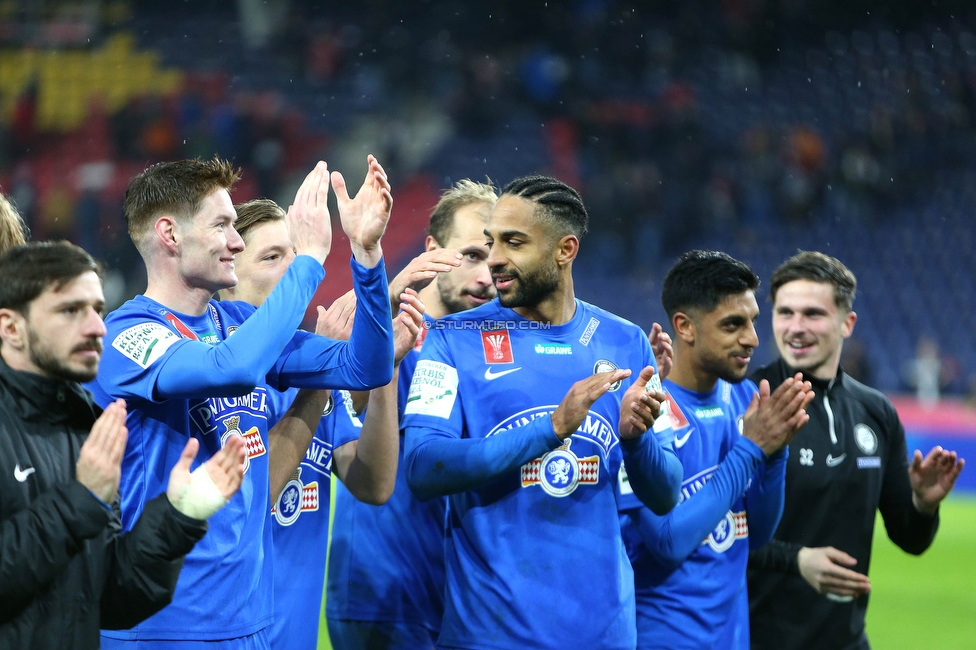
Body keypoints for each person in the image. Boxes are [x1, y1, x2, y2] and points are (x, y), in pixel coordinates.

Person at [89, 155, 396, 648]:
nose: (236, 241)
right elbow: (230, 369)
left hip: (250, 625)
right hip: (159, 631)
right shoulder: (126, 336)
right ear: (170, 235)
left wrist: (366, 256)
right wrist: (310, 262)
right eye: (222, 225)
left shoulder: (235, 323)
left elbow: (367, 367)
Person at [402, 174, 683, 650]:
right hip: (490, 636)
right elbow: (422, 466)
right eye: (491, 242)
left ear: (564, 250)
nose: (494, 259)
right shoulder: (450, 340)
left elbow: (666, 493)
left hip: (604, 636)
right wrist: (552, 427)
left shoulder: (627, 341)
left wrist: (636, 441)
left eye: (514, 243)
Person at [0, 241, 244, 649]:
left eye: (96, 309)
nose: (97, 327)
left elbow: (110, 599)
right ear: (11, 327)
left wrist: (179, 515)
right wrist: (80, 500)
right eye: (70, 311)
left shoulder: (83, 427)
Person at [218, 197, 424, 650]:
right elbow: (255, 495)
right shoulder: (211, 370)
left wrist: (382, 368)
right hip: (223, 630)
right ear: (226, 275)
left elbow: (373, 483)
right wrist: (321, 385)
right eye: (273, 258)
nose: (295, 272)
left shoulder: (313, 357)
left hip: (295, 634)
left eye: (298, 257)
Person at [747, 251, 965, 650]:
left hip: (846, 642)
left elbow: (910, 539)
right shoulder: (744, 400)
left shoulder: (876, 411)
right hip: (755, 639)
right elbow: (713, 534)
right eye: (785, 313)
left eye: (813, 314)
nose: (796, 327)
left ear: (847, 323)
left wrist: (922, 505)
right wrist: (795, 560)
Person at [327, 179, 498, 650]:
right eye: (471, 255)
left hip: (463, 598)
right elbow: (344, 394)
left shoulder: (491, 355)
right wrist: (389, 299)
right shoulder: (396, 336)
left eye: (494, 258)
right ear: (432, 250)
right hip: (382, 596)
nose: (486, 275)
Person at [617, 250, 814, 649]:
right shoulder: (644, 409)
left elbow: (756, 534)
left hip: (732, 637)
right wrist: (750, 450)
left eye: (753, 322)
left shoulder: (744, 398)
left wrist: (775, 454)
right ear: (684, 327)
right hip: (662, 637)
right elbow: (667, 542)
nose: (753, 339)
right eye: (732, 325)